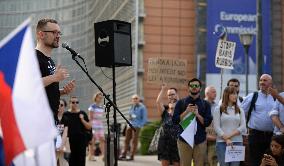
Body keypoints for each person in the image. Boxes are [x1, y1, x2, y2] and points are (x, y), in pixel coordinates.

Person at [35, 18, 75, 121]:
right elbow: (29, 85)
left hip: (52, 121)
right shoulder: (32, 58)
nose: (58, 36)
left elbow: (46, 90)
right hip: (38, 121)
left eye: (59, 33)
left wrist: (62, 91)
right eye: (54, 32)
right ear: (41, 34)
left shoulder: (50, 61)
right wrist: (54, 77)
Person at [172, 78, 212, 166]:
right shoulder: (180, 103)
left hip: (200, 140)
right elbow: (175, 121)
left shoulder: (206, 104)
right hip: (184, 141)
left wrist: (197, 115)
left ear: (200, 88)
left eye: (196, 86)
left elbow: (207, 122)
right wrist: (186, 112)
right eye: (192, 86)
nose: (194, 87)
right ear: (188, 88)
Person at [241, 74, 275, 166]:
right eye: (261, 80)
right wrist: (243, 131)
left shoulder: (275, 97)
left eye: (265, 80)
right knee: (255, 162)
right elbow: (241, 113)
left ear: (271, 83)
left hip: (271, 137)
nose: (262, 82)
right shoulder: (253, 96)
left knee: (269, 162)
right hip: (255, 135)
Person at [213, 86, 246, 166]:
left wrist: (228, 137)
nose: (236, 96)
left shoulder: (240, 110)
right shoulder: (218, 109)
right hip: (222, 143)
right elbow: (216, 127)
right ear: (227, 95)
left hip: (238, 142)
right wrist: (226, 139)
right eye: (233, 93)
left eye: (236, 94)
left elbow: (243, 126)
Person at [63, 96, 92, 166]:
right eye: (73, 102)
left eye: (77, 102)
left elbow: (89, 127)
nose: (75, 104)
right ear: (70, 103)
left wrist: (82, 120)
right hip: (69, 141)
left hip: (81, 141)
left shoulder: (82, 113)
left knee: (81, 161)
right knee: (71, 161)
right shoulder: (66, 114)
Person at [156, 84, 180, 166]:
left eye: (173, 94)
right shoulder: (165, 111)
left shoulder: (182, 109)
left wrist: (175, 108)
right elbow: (158, 102)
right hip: (165, 141)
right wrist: (163, 89)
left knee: (177, 163)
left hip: (177, 142)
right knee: (164, 163)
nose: (171, 96)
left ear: (177, 95)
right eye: (169, 95)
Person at [119, 94, 148, 161]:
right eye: (133, 99)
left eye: (136, 98)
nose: (134, 100)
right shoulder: (132, 106)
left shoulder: (142, 107)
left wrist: (140, 125)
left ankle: (131, 156)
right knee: (126, 140)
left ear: (138, 99)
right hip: (130, 125)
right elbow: (130, 115)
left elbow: (144, 119)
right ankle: (124, 154)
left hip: (136, 126)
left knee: (134, 141)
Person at [88, 92, 105, 161]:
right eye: (99, 97)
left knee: (102, 139)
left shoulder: (101, 107)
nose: (100, 99)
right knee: (93, 140)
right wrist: (90, 126)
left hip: (100, 124)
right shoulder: (92, 106)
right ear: (96, 98)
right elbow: (90, 117)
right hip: (93, 124)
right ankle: (91, 156)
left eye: (101, 97)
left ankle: (103, 155)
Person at [204, 86, 218, 166]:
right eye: (213, 92)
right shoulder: (200, 105)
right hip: (202, 139)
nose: (215, 94)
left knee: (212, 161)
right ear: (207, 93)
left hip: (214, 138)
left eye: (215, 92)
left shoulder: (217, 106)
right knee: (203, 161)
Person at [56, 99, 69, 166]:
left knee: (62, 163)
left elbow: (65, 133)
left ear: (64, 107)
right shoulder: (52, 117)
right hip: (53, 144)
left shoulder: (66, 119)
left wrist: (61, 145)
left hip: (63, 144)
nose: (59, 106)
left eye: (61, 105)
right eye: (58, 104)